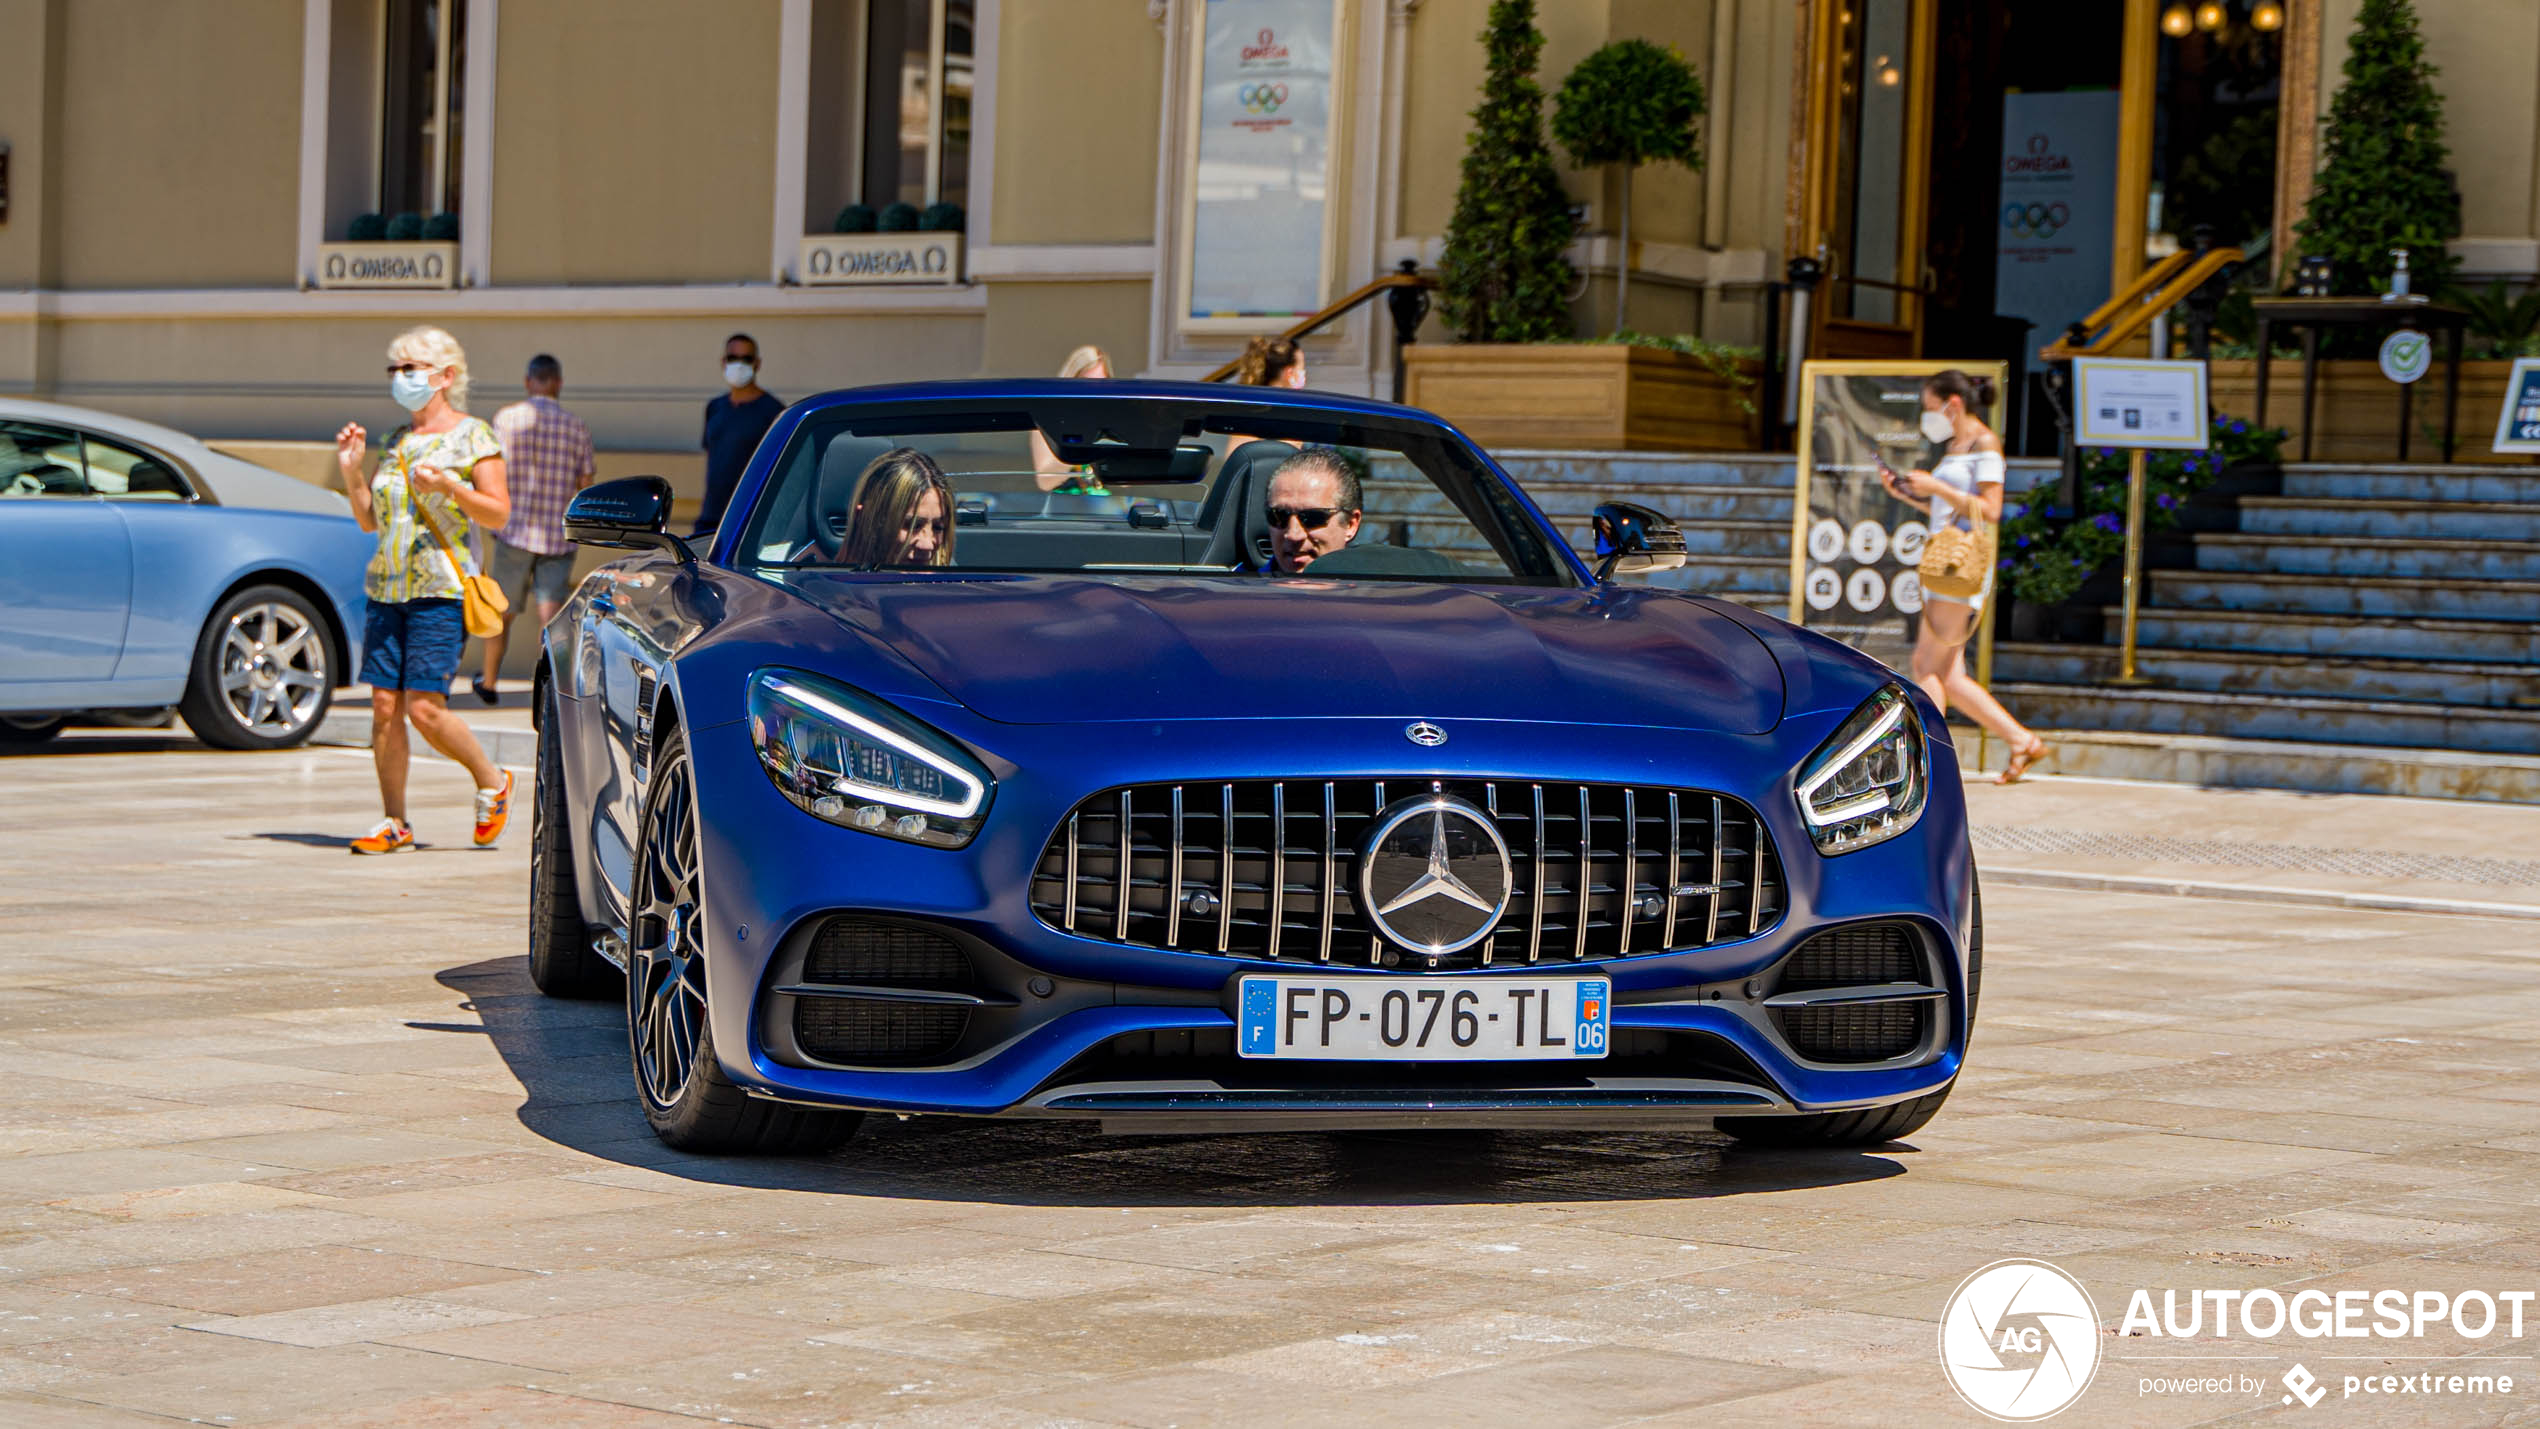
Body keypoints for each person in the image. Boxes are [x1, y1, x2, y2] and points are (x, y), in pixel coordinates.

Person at [335, 325, 516, 853]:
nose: (400, 378)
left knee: (424, 708)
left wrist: (451, 488)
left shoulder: (474, 436)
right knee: (384, 708)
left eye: (411, 369)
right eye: (395, 369)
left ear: (445, 376)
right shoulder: (396, 440)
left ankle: (492, 779)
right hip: (387, 588)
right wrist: (351, 474)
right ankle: (395, 821)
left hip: (441, 588)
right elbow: (372, 521)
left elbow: (499, 513)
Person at [1881, 368, 2052, 784]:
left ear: (1952, 404)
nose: (1928, 416)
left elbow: (1990, 510)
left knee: (1926, 667)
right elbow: (1953, 511)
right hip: (1945, 561)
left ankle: (1929, 764)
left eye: (1930, 407)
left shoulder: (1985, 444)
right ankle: (2021, 741)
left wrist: (1935, 488)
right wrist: (1906, 494)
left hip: (1959, 567)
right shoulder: (1958, 445)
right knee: (1950, 675)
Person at [476, 353, 596, 705]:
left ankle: (490, 680)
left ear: (529, 381)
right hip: (557, 534)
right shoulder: (576, 425)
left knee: (502, 609)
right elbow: (585, 482)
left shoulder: (506, 419)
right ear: (558, 383)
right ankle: (550, 687)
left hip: (513, 528)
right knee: (551, 611)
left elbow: (490, 471)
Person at [697, 333, 783, 534]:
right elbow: (712, 458)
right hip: (710, 518)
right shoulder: (715, 408)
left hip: (749, 520)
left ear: (757, 364)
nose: (739, 364)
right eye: (733, 358)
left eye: (746, 359)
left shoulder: (772, 411)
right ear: (723, 362)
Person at [837, 447, 955, 568]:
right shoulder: (828, 584)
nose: (927, 545)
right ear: (864, 519)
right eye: (911, 525)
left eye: (938, 527)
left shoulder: (958, 583)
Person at [1262, 446, 1361, 575]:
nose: (1293, 535)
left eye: (1312, 517)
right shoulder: (1236, 589)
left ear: (1350, 525)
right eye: (1279, 516)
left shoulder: (1375, 591)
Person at [1031, 344, 1113, 492]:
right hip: (1066, 508)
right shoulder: (1050, 419)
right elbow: (1045, 481)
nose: (1093, 392)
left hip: (1103, 508)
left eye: (1102, 384)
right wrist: (1080, 446)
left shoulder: (1109, 420)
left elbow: (1126, 481)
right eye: (1086, 384)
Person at [1234, 335, 1307, 389]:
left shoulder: (1249, 399)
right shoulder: (1295, 406)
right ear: (1289, 373)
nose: (1304, 374)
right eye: (1302, 368)